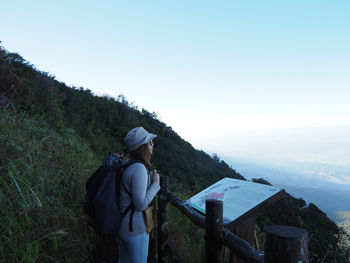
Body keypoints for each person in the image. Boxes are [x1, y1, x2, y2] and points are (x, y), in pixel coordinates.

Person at [118, 127, 161, 263]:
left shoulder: (125, 163)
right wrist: (156, 184)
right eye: (149, 142)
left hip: (122, 225)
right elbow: (140, 204)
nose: (152, 145)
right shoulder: (138, 168)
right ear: (142, 147)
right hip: (134, 229)